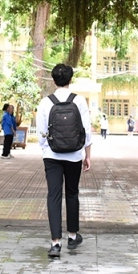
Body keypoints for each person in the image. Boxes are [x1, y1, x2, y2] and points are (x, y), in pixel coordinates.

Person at [38, 63, 94, 258]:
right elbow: (86, 129)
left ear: (53, 80)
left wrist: (47, 150)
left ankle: (55, 243)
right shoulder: (79, 101)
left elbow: (41, 132)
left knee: (53, 195)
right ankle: (72, 235)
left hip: (52, 156)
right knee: (72, 193)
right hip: (74, 155)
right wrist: (87, 155)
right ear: (71, 80)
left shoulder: (46, 102)